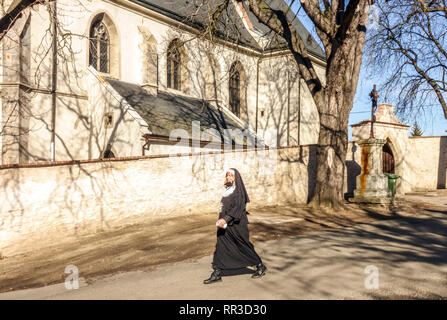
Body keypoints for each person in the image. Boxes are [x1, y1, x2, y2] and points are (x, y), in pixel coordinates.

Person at [203, 168, 267, 284]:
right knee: (221, 247)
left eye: (231, 176)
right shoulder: (227, 191)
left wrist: (225, 219)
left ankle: (259, 265)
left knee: (243, 246)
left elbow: (237, 208)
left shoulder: (239, 192)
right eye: (227, 176)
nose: (228, 178)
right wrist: (221, 221)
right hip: (224, 226)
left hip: (237, 226)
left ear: (236, 178)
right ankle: (217, 272)